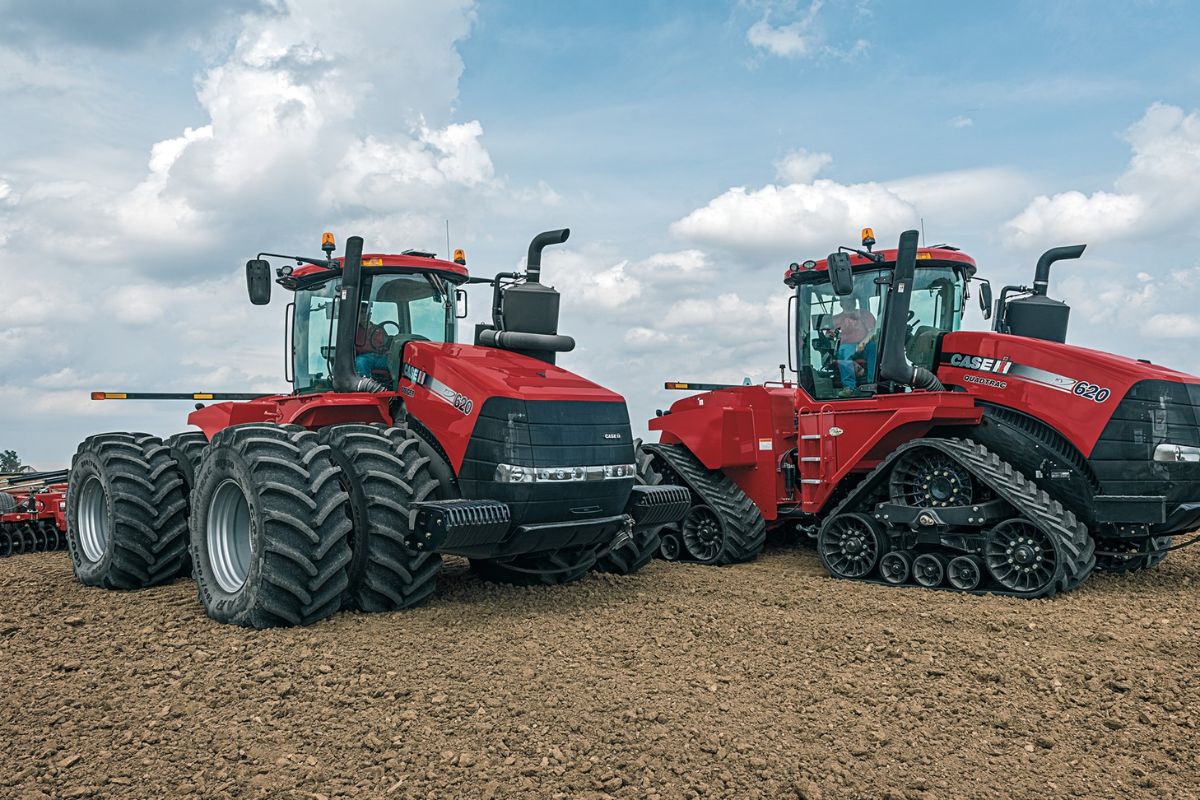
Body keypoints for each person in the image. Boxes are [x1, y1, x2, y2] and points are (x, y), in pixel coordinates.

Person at [831, 294, 876, 396]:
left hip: (866, 344)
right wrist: (830, 334)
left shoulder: (865, 314)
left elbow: (873, 331)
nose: (851, 302)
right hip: (848, 346)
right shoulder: (836, 319)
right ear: (841, 303)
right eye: (847, 300)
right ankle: (849, 387)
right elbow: (830, 333)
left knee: (874, 348)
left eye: (852, 299)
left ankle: (872, 383)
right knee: (843, 351)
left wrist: (863, 343)